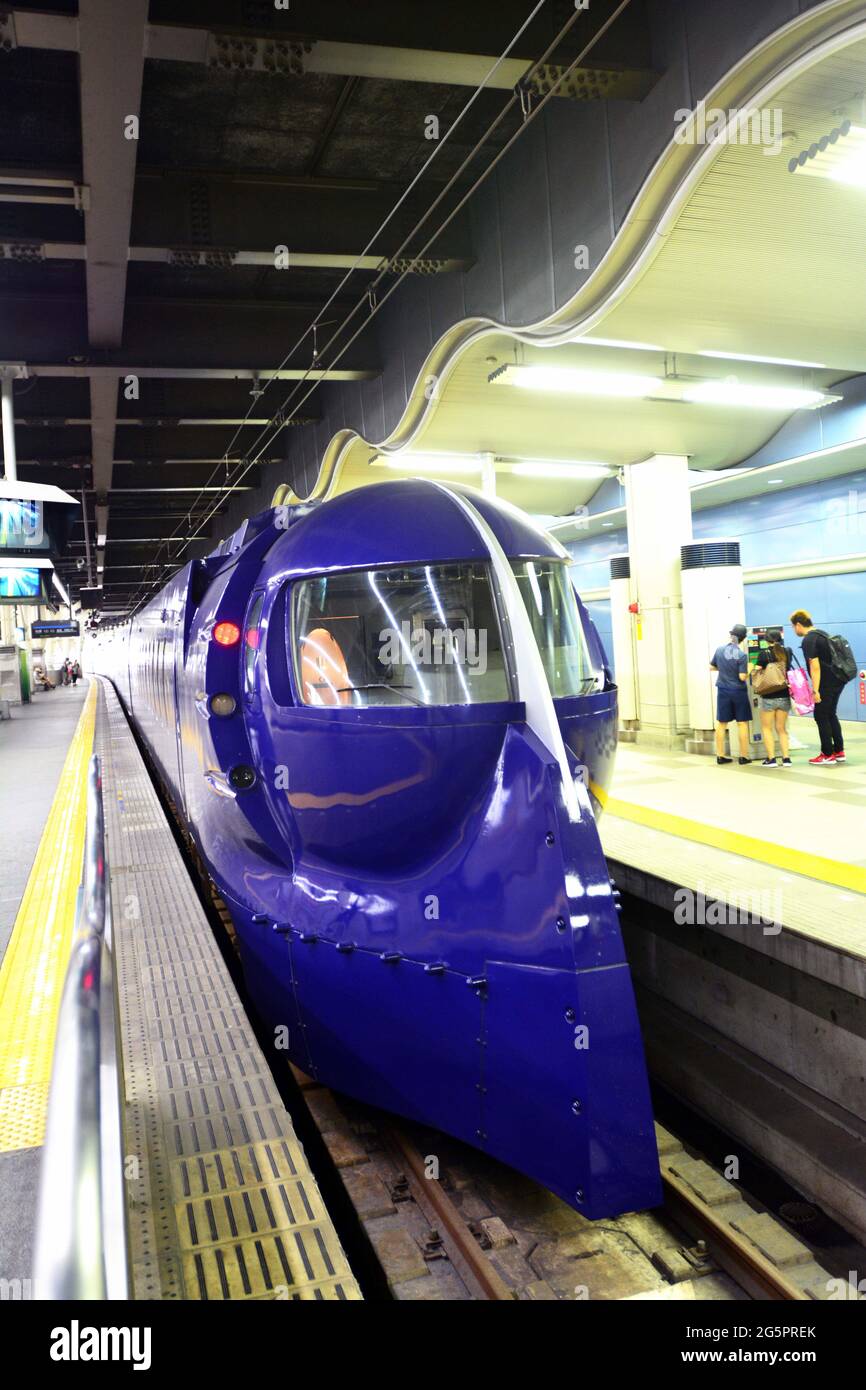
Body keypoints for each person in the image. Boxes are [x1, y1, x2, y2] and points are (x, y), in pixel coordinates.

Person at [790, 610, 845, 764]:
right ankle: (839, 751)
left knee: (820, 716)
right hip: (837, 680)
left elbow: (815, 667)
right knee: (830, 714)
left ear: (799, 624)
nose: (794, 630)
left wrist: (815, 690)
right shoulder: (823, 634)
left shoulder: (809, 639)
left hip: (825, 684)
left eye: (793, 627)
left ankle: (827, 754)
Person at [710, 623, 751, 765]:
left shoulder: (720, 650)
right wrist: (750, 669)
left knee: (722, 723)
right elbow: (742, 677)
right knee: (742, 723)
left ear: (731, 635)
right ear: (743, 638)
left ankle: (720, 755)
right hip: (738, 691)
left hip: (723, 690)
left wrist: (723, 669)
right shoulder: (741, 655)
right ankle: (743, 756)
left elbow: (711, 666)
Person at [753, 628, 792, 768]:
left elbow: (757, 669)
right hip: (784, 695)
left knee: (767, 728)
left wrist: (752, 669)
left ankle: (771, 759)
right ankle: (786, 759)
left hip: (769, 696)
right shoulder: (787, 651)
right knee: (781, 729)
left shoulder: (764, 654)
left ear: (766, 639)